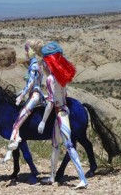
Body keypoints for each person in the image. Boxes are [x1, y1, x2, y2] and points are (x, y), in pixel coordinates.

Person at [37, 41, 88, 189]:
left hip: (60, 115)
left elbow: (51, 103)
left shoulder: (51, 79)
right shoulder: (61, 78)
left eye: (44, 62)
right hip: (63, 111)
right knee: (55, 145)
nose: (43, 65)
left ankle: (83, 179)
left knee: (69, 146)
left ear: (49, 62)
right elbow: (60, 96)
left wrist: (43, 121)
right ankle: (52, 176)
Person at [2, 40, 44, 163]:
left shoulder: (35, 66)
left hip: (34, 96)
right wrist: (20, 93)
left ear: (33, 52)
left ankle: (9, 152)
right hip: (32, 94)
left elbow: (31, 83)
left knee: (16, 124)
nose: (26, 53)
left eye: (27, 50)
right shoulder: (35, 65)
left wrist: (22, 96)